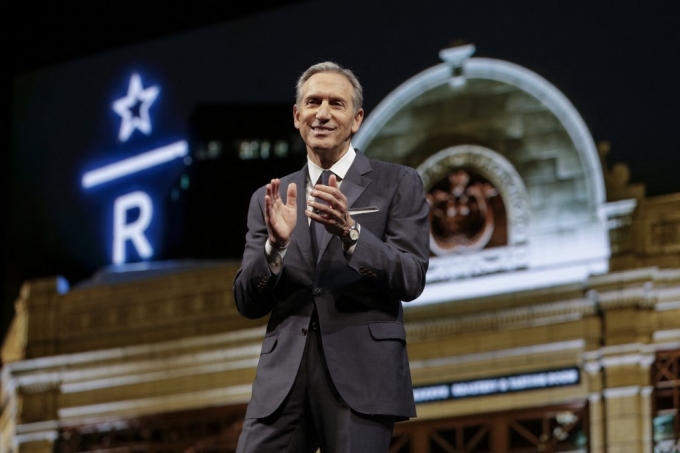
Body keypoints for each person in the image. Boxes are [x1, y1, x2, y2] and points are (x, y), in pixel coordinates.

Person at [233, 61, 430, 453]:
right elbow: (246, 300)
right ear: (296, 115)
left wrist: (351, 233)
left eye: (336, 104)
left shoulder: (398, 183)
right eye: (313, 102)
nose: (322, 113)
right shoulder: (269, 197)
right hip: (282, 380)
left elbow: (411, 276)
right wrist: (275, 247)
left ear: (356, 119)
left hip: (363, 375)